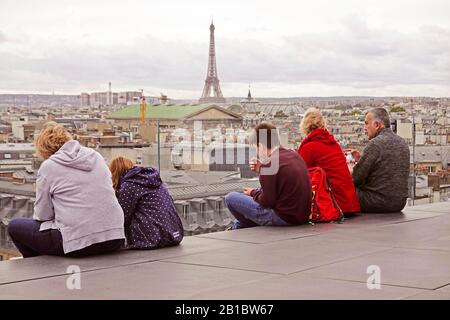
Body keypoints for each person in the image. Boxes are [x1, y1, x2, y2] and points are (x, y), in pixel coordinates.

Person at [8, 122, 125, 258]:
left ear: (43, 149)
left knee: (15, 226)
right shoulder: (96, 156)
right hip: (114, 238)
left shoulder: (49, 166)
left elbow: (42, 215)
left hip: (79, 244)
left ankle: (38, 268)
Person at [225, 123, 311, 229]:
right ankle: (239, 225)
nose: (257, 153)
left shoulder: (270, 164)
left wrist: (252, 193)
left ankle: (244, 224)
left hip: (284, 218)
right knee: (257, 191)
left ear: (261, 146)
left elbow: (267, 201)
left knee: (231, 198)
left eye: (256, 148)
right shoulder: (294, 155)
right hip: (301, 216)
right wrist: (261, 169)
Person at [109, 156, 183, 249]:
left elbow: (122, 216)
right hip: (174, 234)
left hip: (150, 239)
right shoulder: (154, 180)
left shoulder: (129, 185)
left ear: (115, 171)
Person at [297, 108, 360, 214]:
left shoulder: (309, 147)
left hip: (333, 206)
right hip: (350, 203)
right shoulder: (333, 144)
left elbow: (298, 175)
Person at [349, 108, 410, 212]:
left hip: (376, 202)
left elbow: (355, 179)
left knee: (340, 188)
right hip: (399, 203)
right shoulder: (402, 143)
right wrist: (362, 159)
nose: (364, 128)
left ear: (377, 125)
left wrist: (348, 167)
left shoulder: (375, 144)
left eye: (367, 123)